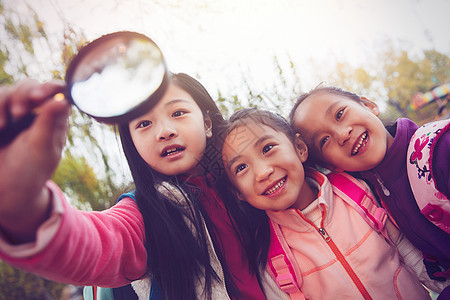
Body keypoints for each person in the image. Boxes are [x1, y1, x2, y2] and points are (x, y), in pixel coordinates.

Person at [0, 74, 270, 299]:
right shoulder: (145, 214)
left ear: (207, 123)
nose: (164, 131)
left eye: (178, 113)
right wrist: (21, 204)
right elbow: (96, 244)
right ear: (132, 144)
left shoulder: (256, 185)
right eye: (144, 123)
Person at [221, 107, 442, 299]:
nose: (262, 172)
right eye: (241, 168)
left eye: (268, 148)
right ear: (238, 193)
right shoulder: (270, 258)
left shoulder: (356, 191)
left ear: (299, 148)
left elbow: (409, 254)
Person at [289, 86, 450, 298]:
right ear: (332, 167)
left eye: (339, 114)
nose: (342, 134)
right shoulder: (373, 202)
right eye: (324, 141)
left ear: (369, 105)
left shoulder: (440, 148)